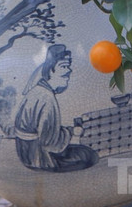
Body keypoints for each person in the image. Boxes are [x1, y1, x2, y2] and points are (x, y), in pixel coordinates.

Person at [13, 44, 99, 172]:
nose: (68, 70)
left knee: (81, 152)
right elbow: (49, 142)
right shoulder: (46, 98)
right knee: (88, 155)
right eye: (63, 66)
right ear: (50, 70)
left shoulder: (39, 91)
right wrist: (71, 132)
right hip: (38, 156)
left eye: (68, 66)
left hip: (26, 150)